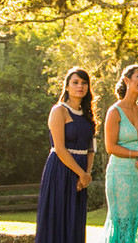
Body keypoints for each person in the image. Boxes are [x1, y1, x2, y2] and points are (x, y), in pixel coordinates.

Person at [35, 67, 96, 243]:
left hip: (81, 175)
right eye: (75, 82)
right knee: (58, 219)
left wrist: (86, 175)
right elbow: (60, 149)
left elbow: (91, 149)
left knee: (74, 220)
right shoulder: (59, 110)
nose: (80, 86)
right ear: (67, 87)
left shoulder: (87, 116)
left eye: (84, 83)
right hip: (60, 171)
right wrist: (81, 173)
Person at [104, 63, 138, 243]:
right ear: (126, 80)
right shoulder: (114, 111)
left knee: (136, 221)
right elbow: (111, 147)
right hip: (120, 173)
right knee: (122, 222)